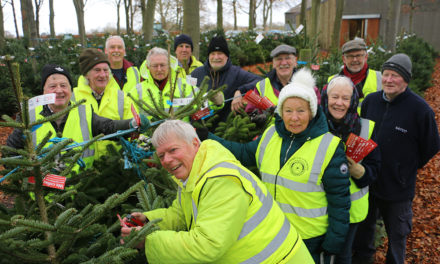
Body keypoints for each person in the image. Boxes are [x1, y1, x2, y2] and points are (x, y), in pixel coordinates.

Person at [198, 68, 351, 262]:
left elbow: (340, 202)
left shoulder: (329, 146)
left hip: (310, 240)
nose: (294, 117)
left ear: (311, 112)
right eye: (288, 111)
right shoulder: (271, 135)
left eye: (301, 111)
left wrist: (332, 244)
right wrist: (207, 138)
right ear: (281, 112)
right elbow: (244, 154)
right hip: (275, 234)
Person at [120, 120, 314, 263]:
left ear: (195, 144)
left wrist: (148, 241)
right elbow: (179, 214)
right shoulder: (194, 174)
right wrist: (147, 221)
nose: (167, 160)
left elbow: (208, 245)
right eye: (161, 155)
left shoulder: (220, 181)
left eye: (173, 150)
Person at [352, 53, 440, 264]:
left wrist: (406, 167)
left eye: (395, 76)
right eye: (386, 74)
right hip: (369, 181)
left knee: (397, 237)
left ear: (406, 80)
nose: (389, 80)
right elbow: (362, 134)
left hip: (398, 188)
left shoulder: (420, 109)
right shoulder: (371, 102)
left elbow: (432, 145)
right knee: (364, 235)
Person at [6, 64, 149, 172]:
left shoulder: (83, 111)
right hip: (41, 198)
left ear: (70, 89)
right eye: (52, 86)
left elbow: (109, 127)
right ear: (43, 91)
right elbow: (10, 153)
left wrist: (131, 124)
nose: (59, 90)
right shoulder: (29, 115)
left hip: (80, 192)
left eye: (64, 85)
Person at [320, 75, 381, 264]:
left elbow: (375, 169)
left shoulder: (365, 128)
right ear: (325, 99)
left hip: (351, 212)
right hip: (318, 207)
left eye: (345, 98)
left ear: (353, 100)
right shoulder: (314, 126)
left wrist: (360, 172)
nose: (339, 103)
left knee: (343, 256)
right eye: (334, 97)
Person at [72, 48, 135, 159]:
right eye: (97, 70)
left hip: (116, 166)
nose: (103, 75)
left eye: (106, 70)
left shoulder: (121, 97)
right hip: (84, 167)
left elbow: (133, 129)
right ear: (86, 74)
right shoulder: (73, 98)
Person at [129, 47, 223, 119]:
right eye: (155, 66)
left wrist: (215, 102)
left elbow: (200, 107)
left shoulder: (185, 86)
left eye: (162, 65)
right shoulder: (137, 91)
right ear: (148, 67)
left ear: (169, 65)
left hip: (182, 138)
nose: (159, 69)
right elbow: (131, 120)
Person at [191, 35, 262, 123]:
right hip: (200, 127)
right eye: (213, 54)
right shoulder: (196, 73)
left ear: (227, 56)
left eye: (220, 53)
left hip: (226, 130)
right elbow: (188, 99)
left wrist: (239, 91)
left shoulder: (236, 73)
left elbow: (261, 81)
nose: (216, 57)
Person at [328, 38, 382, 111]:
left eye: (359, 55)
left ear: (366, 57)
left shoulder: (380, 78)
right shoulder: (332, 80)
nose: (355, 60)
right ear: (344, 59)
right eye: (350, 56)